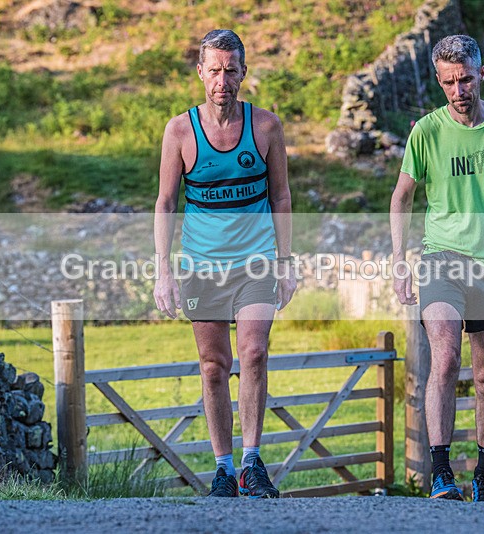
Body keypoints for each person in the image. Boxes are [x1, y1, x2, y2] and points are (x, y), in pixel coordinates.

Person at [389, 34, 484, 503]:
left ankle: (481, 475)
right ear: (439, 82)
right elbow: (402, 196)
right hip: (441, 257)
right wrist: (399, 261)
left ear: (481, 75)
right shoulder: (427, 132)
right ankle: (441, 474)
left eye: (465, 79)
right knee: (444, 357)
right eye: (448, 82)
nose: (458, 90)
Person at [153, 29, 296, 498]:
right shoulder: (179, 130)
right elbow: (166, 202)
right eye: (213, 70)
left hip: (255, 264)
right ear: (200, 73)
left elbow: (281, 196)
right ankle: (222, 467)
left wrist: (286, 261)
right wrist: (163, 271)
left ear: (243, 73)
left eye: (231, 70)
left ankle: (252, 463)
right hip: (201, 266)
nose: (222, 80)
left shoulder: (267, 127)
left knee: (254, 353)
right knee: (214, 365)